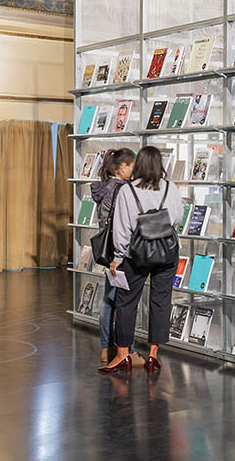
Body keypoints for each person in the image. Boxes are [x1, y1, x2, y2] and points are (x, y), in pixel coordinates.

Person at [101, 146, 183, 374]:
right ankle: (153, 354)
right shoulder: (171, 188)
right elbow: (177, 218)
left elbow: (122, 228)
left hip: (136, 253)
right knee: (161, 301)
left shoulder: (128, 191)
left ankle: (122, 354)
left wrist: (118, 257)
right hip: (167, 251)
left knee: (126, 302)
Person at [90, 148, 140, 366]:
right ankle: (127, 350)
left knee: (109, 300)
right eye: (132, 166)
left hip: (107, 249)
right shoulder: (122, 189)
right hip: (120, 251)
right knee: (124, 301)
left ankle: (106, 348)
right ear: (122, 167)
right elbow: (124, 222)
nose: (134, 170)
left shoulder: (104, 187)